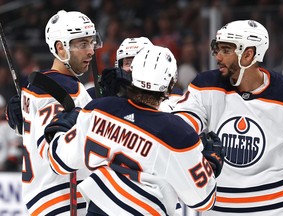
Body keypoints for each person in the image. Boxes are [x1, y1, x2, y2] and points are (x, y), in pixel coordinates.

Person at [42, 45, 224, 215]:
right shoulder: (179, 134)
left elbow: (59, 161)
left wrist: (59, 131)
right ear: (169, 86)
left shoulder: (98, 109)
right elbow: (203, 200)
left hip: (100, 208)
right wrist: (210, 166)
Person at [173, 20, 283, 215]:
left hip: (273, 209)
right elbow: (180, 126)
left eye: (226, 50)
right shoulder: (205, 84)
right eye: (217, 49)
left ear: (249, 54)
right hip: (216, 209)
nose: (218, 57)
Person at [6, 10, 103, 215]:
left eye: (91, 42)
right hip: (63, 199)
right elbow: (54, 152)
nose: (91, 51)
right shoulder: (59, 87)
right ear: (61, 48)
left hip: (50, 199)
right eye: (82, 44)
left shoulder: (53, 85)